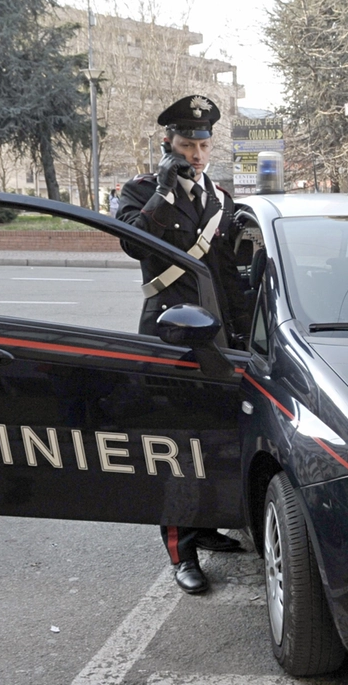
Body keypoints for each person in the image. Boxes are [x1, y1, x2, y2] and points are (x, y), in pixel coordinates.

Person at [117, 94, 251, 595]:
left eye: (203, 144)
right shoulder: (141, 191)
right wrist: (165, 191)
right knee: (175, 443)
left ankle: (207, 525)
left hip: (214, 333)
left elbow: (230, 275)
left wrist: (240, 333)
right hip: (167, 333)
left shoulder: (219, 198)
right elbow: (132, 242)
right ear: (168, 144)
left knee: (215, 436)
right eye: (187, 144)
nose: (197, 153)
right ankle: (182, 550)